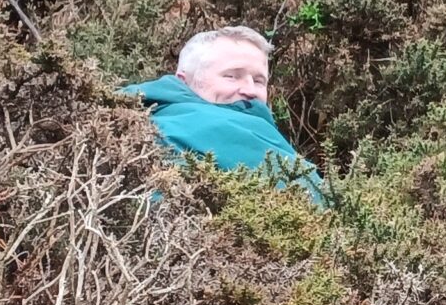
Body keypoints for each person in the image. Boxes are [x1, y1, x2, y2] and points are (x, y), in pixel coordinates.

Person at [123, 25, 325, 201]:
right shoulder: (152, 131)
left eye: (258, 81)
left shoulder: (269, 137)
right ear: (184, 81)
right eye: (231, 76)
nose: (250, 90)